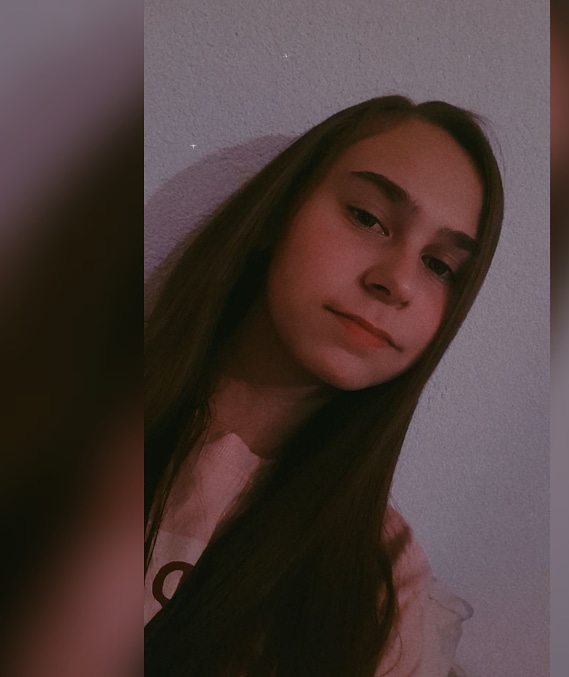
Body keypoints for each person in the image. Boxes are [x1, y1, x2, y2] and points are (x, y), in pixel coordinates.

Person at [144, 95, 504, 677]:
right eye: (367, 218)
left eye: (440, 266)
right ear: (276, 214)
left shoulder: (382, 581)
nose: (398, 281)